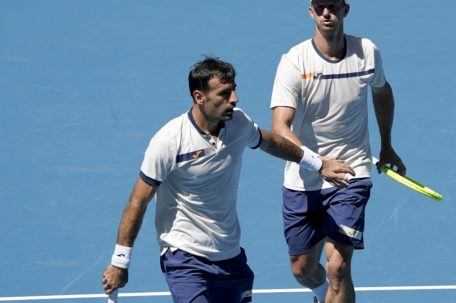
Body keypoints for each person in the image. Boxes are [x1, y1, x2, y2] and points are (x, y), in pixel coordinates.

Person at [101, 57, 354, 303]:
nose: (234, 99)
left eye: (234, 90)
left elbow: (271, 142)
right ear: (199, 98)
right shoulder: (168, 142)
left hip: (230, 257)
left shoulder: (238, 123)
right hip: (185, 258)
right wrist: (119, 261)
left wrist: (318, 164)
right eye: (224, 93)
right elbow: (138, 201)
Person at [270, 1, 407, 302]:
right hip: (304, 176)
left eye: (332, 6)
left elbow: (381, 92)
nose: (326, 13)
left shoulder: (367, 52)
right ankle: (321, 294)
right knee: (302, 268)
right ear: (310, 12)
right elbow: (280, 127)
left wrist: (387, 146)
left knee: (338, 267)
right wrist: (318, 164)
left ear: (346, 9)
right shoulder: (294, 61)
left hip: (351, 171)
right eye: (320, 8)